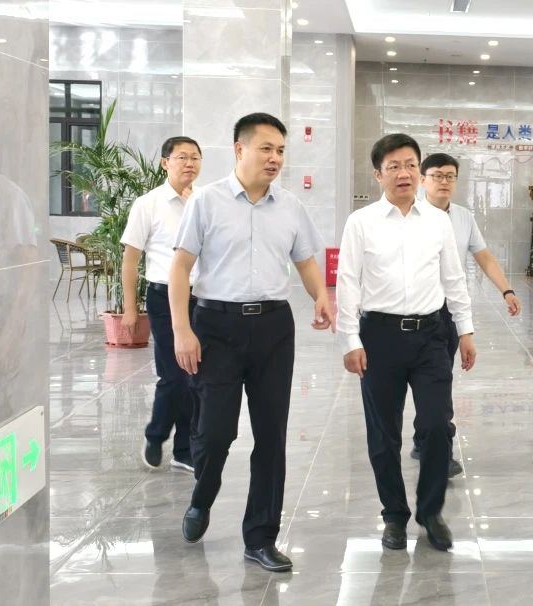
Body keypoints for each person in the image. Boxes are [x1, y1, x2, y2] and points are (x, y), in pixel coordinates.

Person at [169, 113, 333, 572]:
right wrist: (182, 330)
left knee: (271, 435)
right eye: (266, 149)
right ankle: (202, 497)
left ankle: (260, 537)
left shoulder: (290, 207)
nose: (275, 158)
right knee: (216, 433)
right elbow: (180, 267)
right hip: (215, 326)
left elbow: (305, 260)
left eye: (280, 150)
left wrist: (320, 295)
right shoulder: (206, 202)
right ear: (239, 150)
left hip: (273, 329)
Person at [337, 134, 477, 552]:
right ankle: (394, 515)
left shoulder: (437, 221)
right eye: (394, 166)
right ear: (378, 174)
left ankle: (431, 511)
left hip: (431, 335)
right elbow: (347, 282)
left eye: (411, 165)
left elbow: (453, 277)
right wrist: (350, 339)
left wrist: (465, 329)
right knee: (383, 434)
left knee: (436, 425)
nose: (404, 173)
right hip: (379, 337)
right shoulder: (361, 222)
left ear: (420, 170)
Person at [408, 152, 521, 477]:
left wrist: (506, 290)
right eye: (437, 175)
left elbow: (484, 257)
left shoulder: (462, 217)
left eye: (450, 176)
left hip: (447, 312)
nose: (444, 182)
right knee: (429, 383)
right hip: (413, 309)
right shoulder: (408, 215)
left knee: (438, 381)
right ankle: (431, 443)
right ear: (423, 180)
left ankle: (429, 443)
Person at [120, 136, 202, 473]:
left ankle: (184, 449)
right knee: (174, 375)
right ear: (165, 163)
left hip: (202, 298)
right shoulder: (148, 204)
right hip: (164, 297)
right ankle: (156, 435)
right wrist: (130, 308)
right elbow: (129, 261)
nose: (189, 163)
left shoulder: (204, 202)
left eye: (195, 157)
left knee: (196, 376)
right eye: (182, 157)